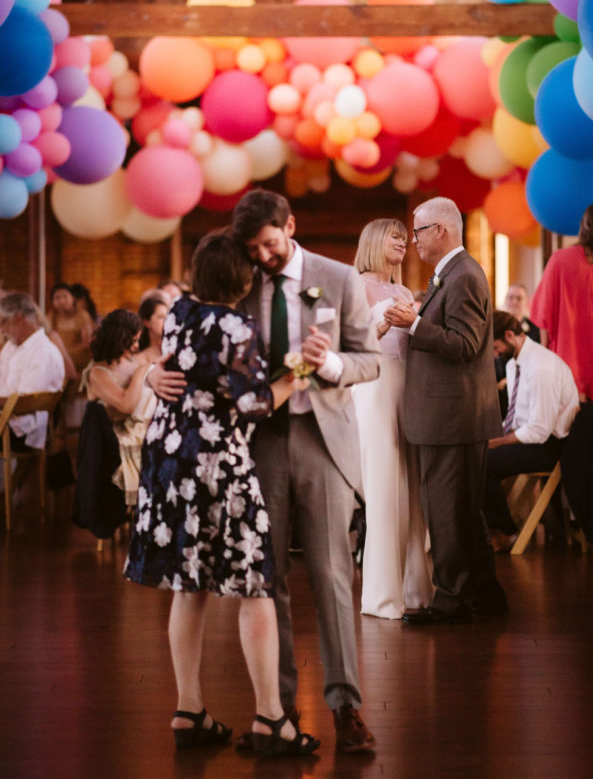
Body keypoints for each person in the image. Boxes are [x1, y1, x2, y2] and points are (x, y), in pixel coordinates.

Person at [125, 230, 318, 756]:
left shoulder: (181, 311)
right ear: (242, 276)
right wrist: (301, 370)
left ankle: (188, 710)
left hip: (169, 462)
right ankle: (271, 720)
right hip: (217, 465)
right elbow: (256, 403)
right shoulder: (238, 326)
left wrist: (149, 375)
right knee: (255, 583)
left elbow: (172, 366)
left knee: (191, 584)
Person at [229, 188, 381, 754]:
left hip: (323, 442)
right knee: (266, 582)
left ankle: (346, 708)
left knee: (331, 577)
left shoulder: (338, 278)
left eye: (269, 244)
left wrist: (333, 362)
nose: (264, 257)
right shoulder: (240, 281)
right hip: (260, 443)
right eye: (253, 249)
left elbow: (371, 360)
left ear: (289, 226)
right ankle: (279, 709)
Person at [385, 197, 507, 626]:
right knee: (463, 510)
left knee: (447, 511)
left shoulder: (465, 276)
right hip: (450, 414)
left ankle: (453, 599)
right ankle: (487, 595)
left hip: (452, 416)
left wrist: (414, 324)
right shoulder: (451, 274)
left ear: (440, 230)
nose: (413, 240)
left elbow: (465, 345)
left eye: (417, 231)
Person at [352, 218, 432, 618]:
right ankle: (383, 598)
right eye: (395, 236)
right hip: (376, 385)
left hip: (407, 388)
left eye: (406, 237)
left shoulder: (401, 289)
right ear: (373, 241)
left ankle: (416, 589)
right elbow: (349, 343)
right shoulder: (356, 285)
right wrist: (386, 322)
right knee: (384, 490)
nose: (403, 242)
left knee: (413, 489)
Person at [484, 311, 580, 552]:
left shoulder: (541, 368)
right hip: (531, 440)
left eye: (495, 347)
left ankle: (506, 532)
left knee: (482, 464)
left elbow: (540, 429)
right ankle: (491, 529)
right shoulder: (513, 364)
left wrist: (498, 443)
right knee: (474, 455)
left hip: (551, 446)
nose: (495, 354)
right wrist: (493, 437)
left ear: (509, 335)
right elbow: (516, 417)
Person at [529, 204, 593, 407]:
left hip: (563, 360)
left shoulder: (559, 260)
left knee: (564, 429)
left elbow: (543, 314)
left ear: (582, 226)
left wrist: (544, 358)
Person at [82, 310, 157, 507]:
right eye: (132, 341)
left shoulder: (132, 361)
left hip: (137, 427)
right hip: (111, 437)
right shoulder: (98, 372)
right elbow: (127, 405)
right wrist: (142, 372)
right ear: (118, 338)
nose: (136, 346)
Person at [0, 292, 65, 452]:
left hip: (23, 430)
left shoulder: (44, 352)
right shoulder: (13, 345)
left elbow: (25, 402)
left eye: (3, 322)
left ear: (18, 318)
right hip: (3, 419)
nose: (1, 329)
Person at [49, 282, 95, 377]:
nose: (61, 301)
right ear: (53, 302)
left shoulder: (82, 316)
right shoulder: (50, 317)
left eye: (65, 296)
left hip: (78, 358)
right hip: (57, 357)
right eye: (57, 298)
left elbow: (87, 344)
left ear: (73, 298)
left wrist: (65, 352)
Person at [135, 292, 168, 364]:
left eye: (167, 317)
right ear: (147, 322)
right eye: (161, 317)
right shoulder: (139, 358)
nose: (167, 321)